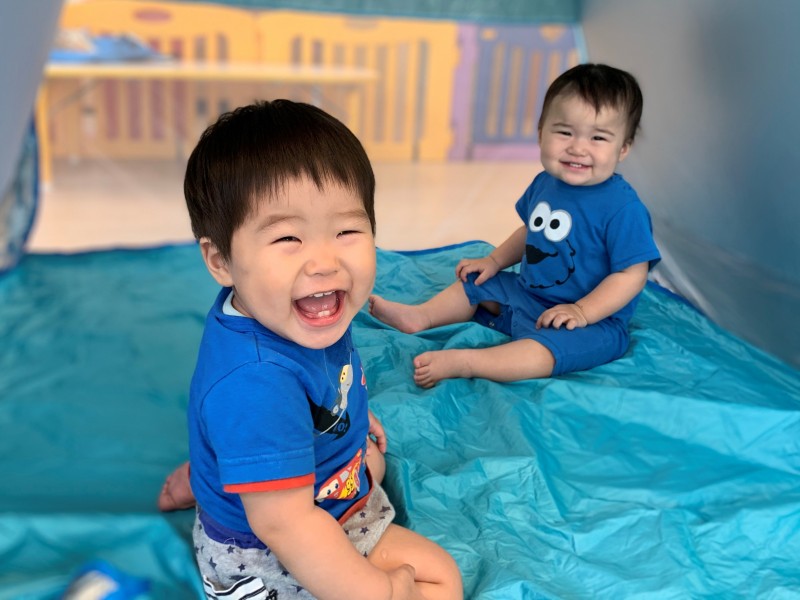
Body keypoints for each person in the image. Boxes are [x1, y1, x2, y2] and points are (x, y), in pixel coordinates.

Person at [163, 99, 462, 600]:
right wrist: (377, 592)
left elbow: (324, 378)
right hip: (271, 549)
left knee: (370, 461)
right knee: (439, 578)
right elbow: (289, 527)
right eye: (288, 238)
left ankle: (215, 472)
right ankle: (232, 477)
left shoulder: (296, 308)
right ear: (221, 261)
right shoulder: (256, 382)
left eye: (346, 230)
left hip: (302, 490)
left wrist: (346, 416)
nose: (324, 262)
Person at [369, 63, 661, 388]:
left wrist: (581, 311)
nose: (578, 147)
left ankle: (470, 362)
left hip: (593, 321)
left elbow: (631, 275)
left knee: (548, 352)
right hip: (528, 293)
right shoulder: (545, 183)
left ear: (623, 147)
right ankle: (422, 316)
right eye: (565, 132)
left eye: (598, 138)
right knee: (477, 283)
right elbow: (530, 232)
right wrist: (494, 261)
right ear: (541, 132)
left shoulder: (623, 208)